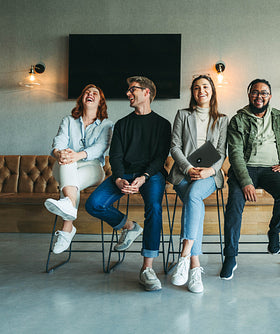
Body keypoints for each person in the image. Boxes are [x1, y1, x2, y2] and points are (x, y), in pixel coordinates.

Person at [86, 76, 171, 291]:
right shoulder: (123, 124)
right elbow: (115, 156)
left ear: (147, 93)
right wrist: (120, 178)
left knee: (154, 208)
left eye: (133, 89)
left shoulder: (162, 124)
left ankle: (147, 268)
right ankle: (130, 227)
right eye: (128, 90)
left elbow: (160, 157)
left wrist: (143, 177)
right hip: (124, 174)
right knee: (93, 203)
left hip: (151, 175)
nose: (128, 93)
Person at [219, 78, 280, 280]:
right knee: (234, 204)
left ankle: (274, 232)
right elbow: (234, 153)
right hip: (245, 168)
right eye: (255, 92)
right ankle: (230, 256)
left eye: (264, 93)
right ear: (249, 94)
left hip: (272, 168)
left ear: (270, 96)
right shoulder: (238, 120)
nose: (259, 96)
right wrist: (245, 182)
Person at [169, 75, 228, 293]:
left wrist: (210, 171)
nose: (200, 90)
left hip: (210, 175)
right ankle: (194, 267)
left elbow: (222, 152)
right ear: (192, 92)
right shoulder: (183, 115)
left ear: (212, 91)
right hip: (184, 174)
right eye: (196, 87)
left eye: (205, 87)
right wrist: (188, 168)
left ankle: (184, 256)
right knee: (195, 201)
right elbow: (174, 146)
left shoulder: (222, 119)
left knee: (193, 197)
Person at [45, 84, 113, 254]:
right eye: (86, 92)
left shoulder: (107, 124)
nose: (90, 94)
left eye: (95, 93)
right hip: (65, 165)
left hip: (93, 168)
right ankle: (68, 220)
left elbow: (100, 147)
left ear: (100, 101)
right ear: (82, 99)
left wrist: (76, 155)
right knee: (67, 161)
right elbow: (59, 140)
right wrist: (59, 153)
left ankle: (67, 225)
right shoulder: (68, 121)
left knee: (69, 171)